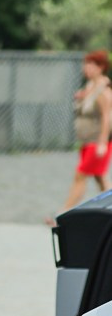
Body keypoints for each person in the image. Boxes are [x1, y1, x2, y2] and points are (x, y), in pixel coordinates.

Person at [59, 50, 111, 214]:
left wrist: (102, 143)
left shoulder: (104, 90)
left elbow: (107, 117)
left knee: (80, 176)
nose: (86, 69)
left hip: (97, 142)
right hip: (87, 141)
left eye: (91, 65)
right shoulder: (90, 87)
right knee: (100, 177)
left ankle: (64, 213)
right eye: (85, 65)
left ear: (100, 67)